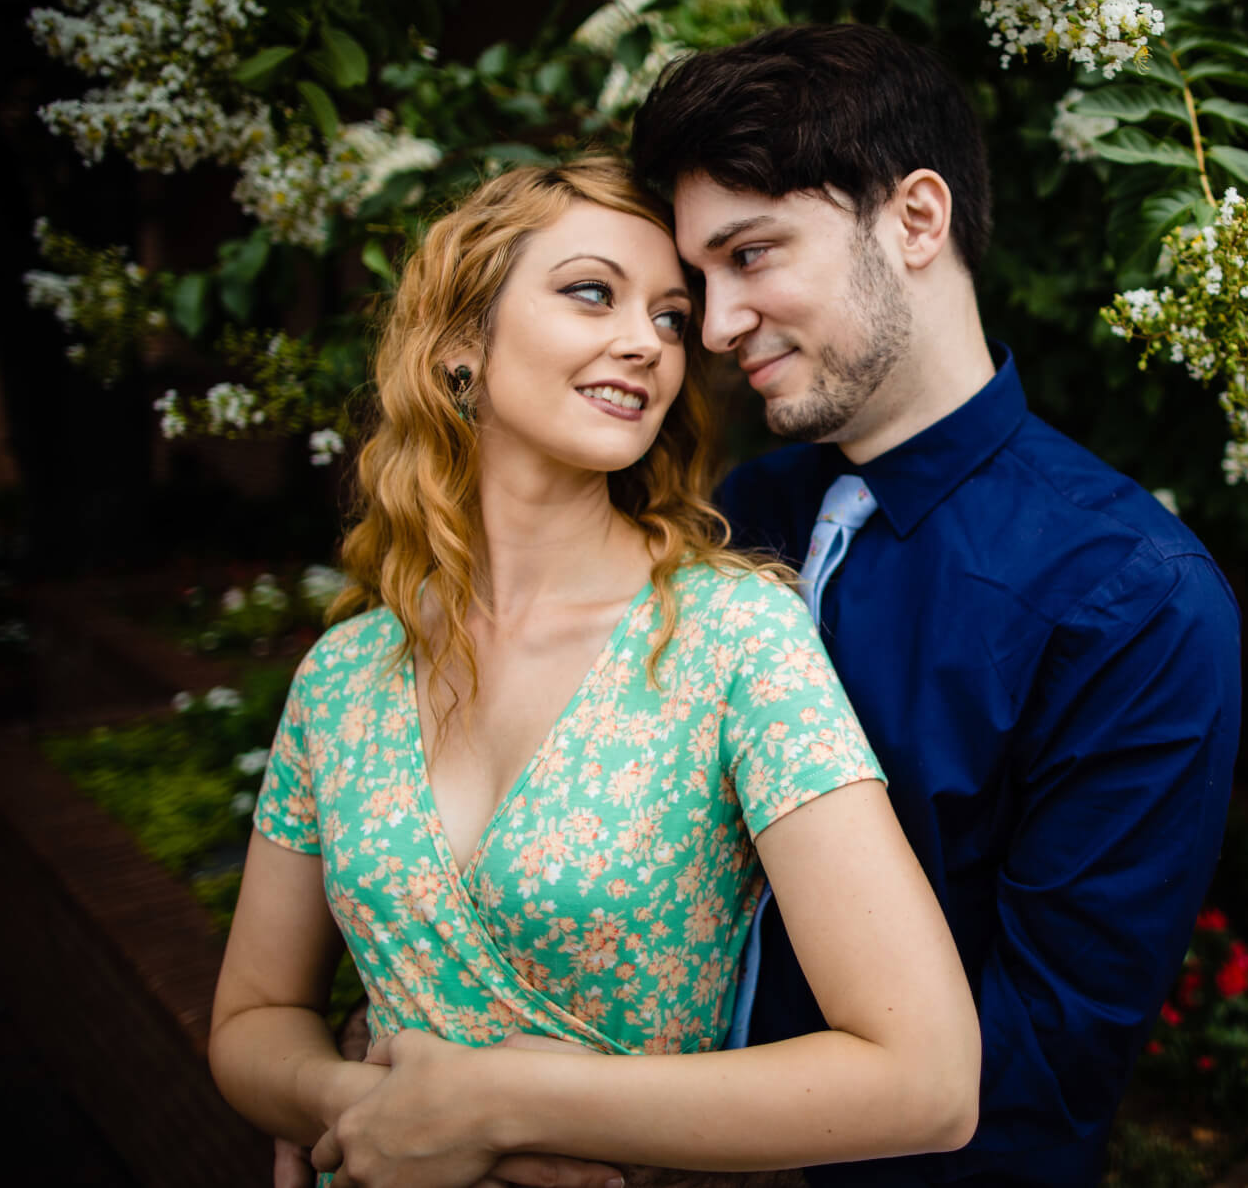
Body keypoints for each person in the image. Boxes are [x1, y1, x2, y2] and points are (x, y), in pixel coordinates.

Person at [211, 156, 980, 1188]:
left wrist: (498, 1109)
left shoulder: (733, 636)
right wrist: (360, 1109)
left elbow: (923, 1081)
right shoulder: (345, 674)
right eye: (591, 293)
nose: (647, 344)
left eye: (670, 317)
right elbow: (254, 1018)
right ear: (457, 349)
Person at [627, 24, 1244, 1185]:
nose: (712, 328)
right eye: (697, 282)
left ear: (915, 218)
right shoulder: (730, 515)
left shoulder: (1133, 604)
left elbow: (1039, 1064)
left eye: (750, 256)